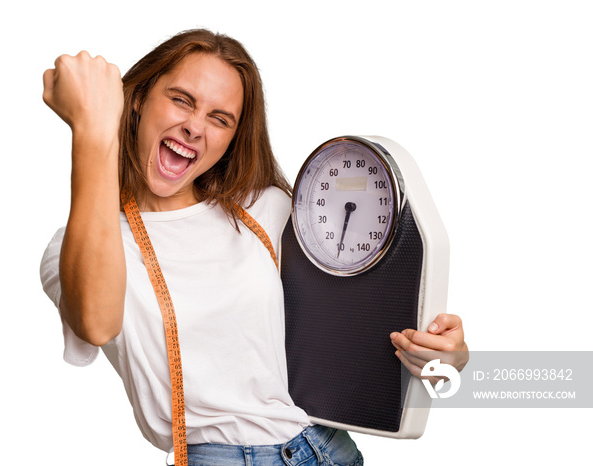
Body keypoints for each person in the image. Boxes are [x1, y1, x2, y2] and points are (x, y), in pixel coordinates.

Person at [40, 29, 468, 466]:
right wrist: (93, 129)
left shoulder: (268, 211)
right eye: (181, 100)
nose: (194, 126)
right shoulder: (75, 248)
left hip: (331, 451)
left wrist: (441, 361)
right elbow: (95, 323)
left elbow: (351, 339)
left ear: (232, 138)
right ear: (137, 100)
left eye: (220, 118)